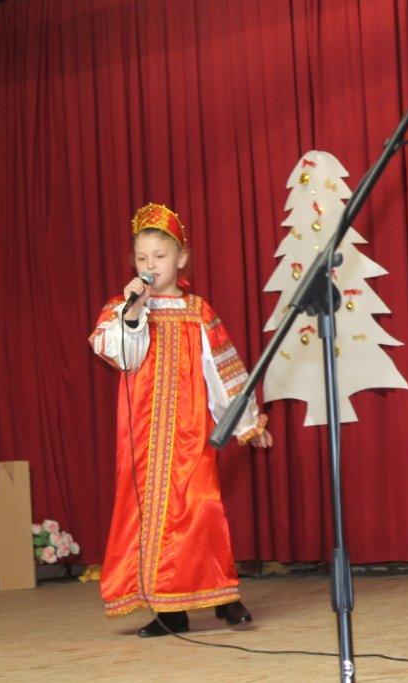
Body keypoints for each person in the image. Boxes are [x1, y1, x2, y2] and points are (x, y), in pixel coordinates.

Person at [89, 203, 272, 637]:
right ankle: (169, 610)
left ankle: (224, 597)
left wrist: (248, 424)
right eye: (142, 258)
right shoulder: (124, 308)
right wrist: (134, 312)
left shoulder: (198, 311)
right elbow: (121, 355)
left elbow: (224, 372)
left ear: (181, 258)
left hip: (190, 435)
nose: (151, 265)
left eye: (160, 256)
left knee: (201, 510)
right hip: (143, 438)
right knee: (146, 516)